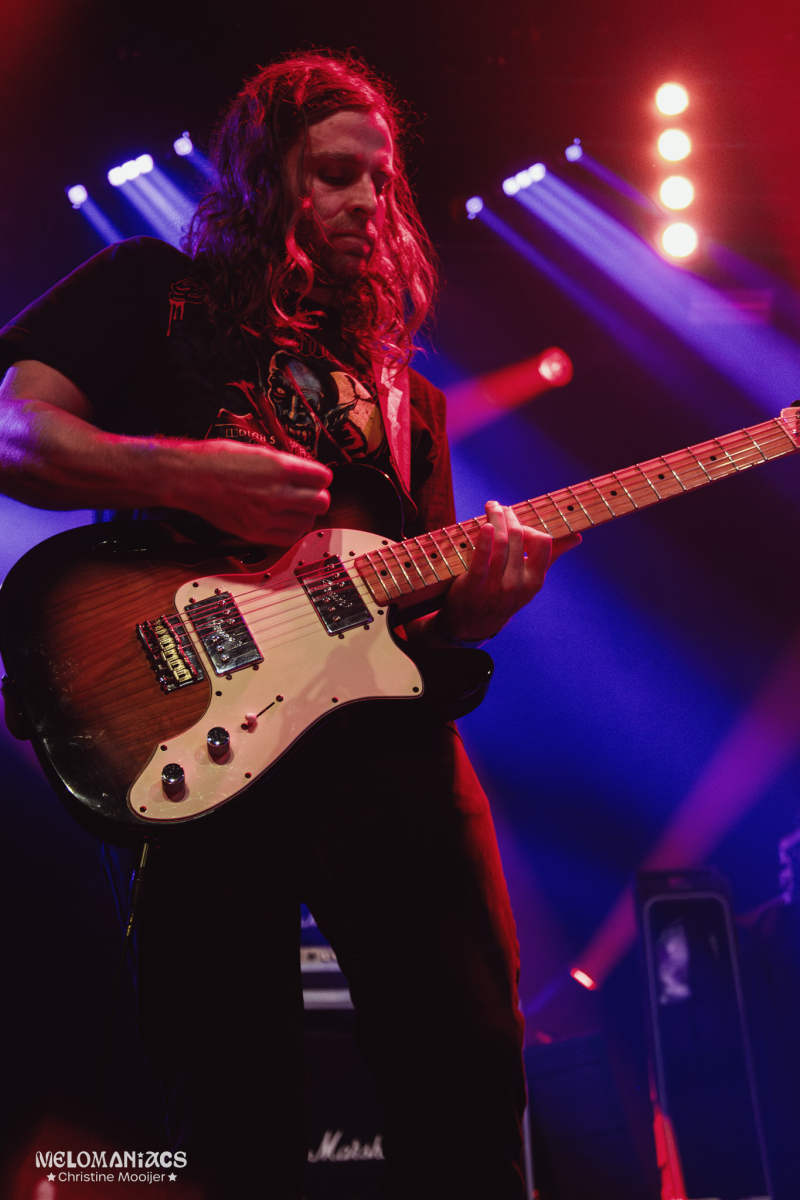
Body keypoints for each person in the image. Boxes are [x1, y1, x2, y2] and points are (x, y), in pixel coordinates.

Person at [0, 51, 579, 1199]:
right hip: (196, 722)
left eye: (381, 179)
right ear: (267, 177)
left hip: (382, 742)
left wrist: (477, 604)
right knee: (232, 1098)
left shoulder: (406, 394)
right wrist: (182, 475)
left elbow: (414, 618)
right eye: (335, 174)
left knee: (467, 1062)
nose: (370, 201)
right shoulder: (150, 289)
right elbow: (16, 434)